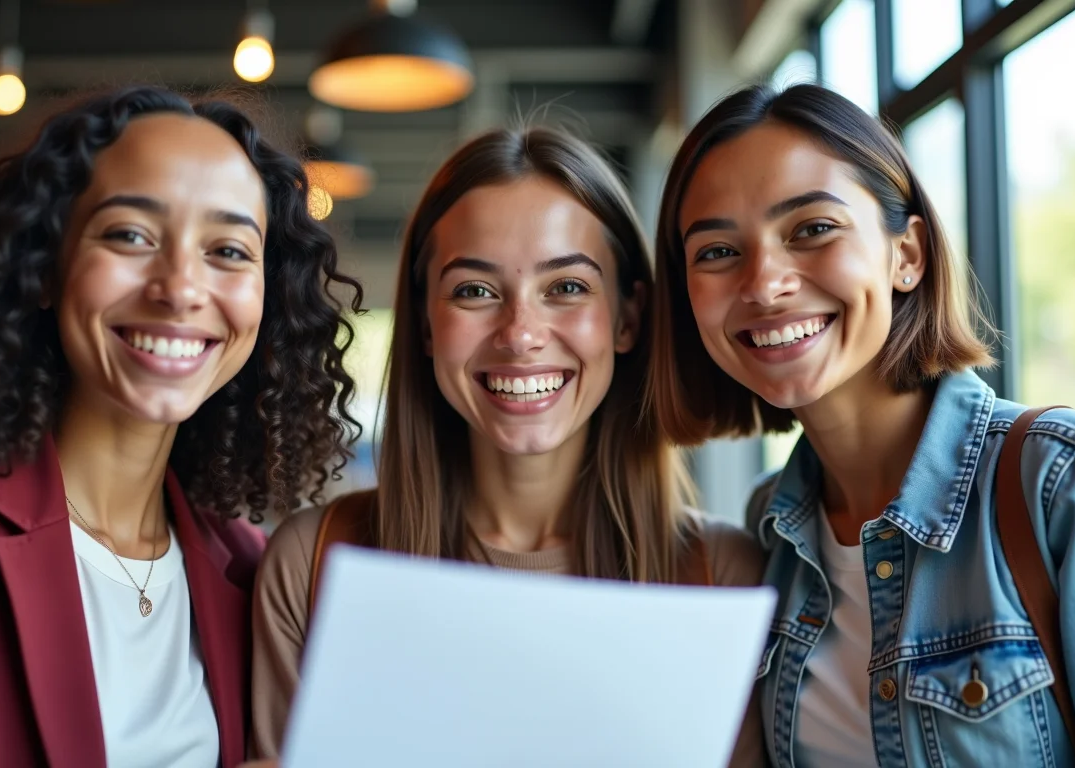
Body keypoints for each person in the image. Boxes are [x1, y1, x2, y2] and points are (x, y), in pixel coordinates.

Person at [650, 81, 1075, 767]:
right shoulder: (772, 529)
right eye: (717, 252)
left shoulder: (1065, 481)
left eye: (813, 230)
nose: (764, 284)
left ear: (907, 255)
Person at [0, 85, 362, 768]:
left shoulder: (251, 568)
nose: (181, 287)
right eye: (130, 235)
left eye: (228, 251)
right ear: (45, 266)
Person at [249, 125, 767, 765]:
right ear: (426, 324)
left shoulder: (725, 579)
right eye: (474, 291)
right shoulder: (311, 564)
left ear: (628, 317)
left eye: (567, 287)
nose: (521, 333)